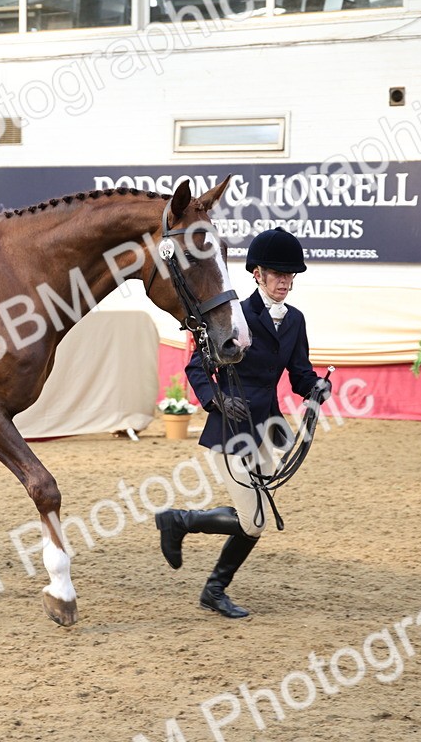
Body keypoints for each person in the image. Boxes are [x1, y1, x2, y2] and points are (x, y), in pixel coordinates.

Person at [155, 228, 329, 619]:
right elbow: (196, 365)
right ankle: (181, 526)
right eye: (277, 274)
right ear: (257, 274)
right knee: (252, 520)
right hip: (230, 428)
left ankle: (211, 583)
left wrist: (317, 387)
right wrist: (216, 400)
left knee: (256, 519)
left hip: (266, 429)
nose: (285, 282)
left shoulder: (295, 321)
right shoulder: (233, 315)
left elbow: (299, 373)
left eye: (290, 275)